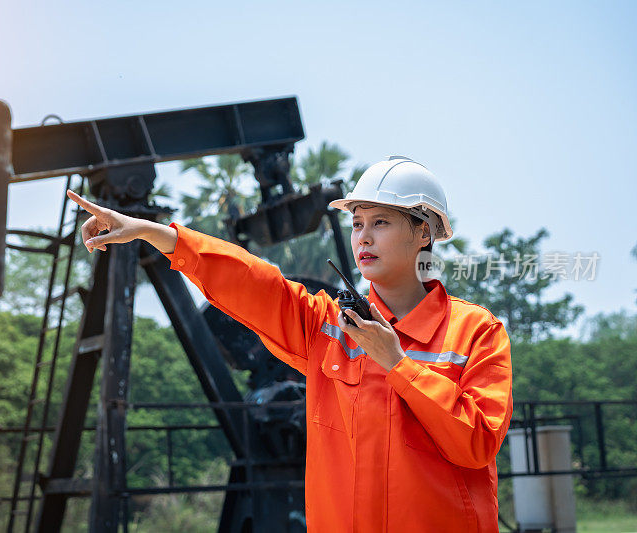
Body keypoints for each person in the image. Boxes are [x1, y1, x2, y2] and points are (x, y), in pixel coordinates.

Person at [67, 155, 513, 533]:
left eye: (381, 222)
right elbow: (252, 281)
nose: (363, 236)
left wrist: (398, 363)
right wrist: (156, 233)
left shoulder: (476, 332)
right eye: (357, 223)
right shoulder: (328, 327)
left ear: (423, 234)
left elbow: (475, 443)